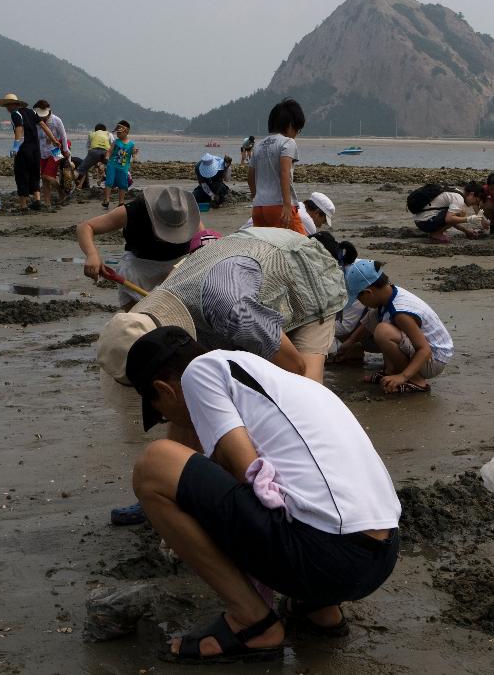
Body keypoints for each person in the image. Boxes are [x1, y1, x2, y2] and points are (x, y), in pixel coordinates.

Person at [117, 327, 400, 663]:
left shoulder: (201, 372)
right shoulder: (267, 373)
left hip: (327, 558)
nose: (173, 420)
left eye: (163, 412)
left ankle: (253, 623)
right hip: (381, 554)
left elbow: (246, 471)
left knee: (155, 464)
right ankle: (318, 609)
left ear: (164, 389)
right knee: (304, 486)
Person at [95, 226, 346, 388]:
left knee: (306, 389)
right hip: (243, 257)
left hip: (303, 268)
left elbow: (296, 365)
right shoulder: (165, 294)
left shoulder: (231, 309)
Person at [77, 185, 203, 308]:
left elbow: (207, 251)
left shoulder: (188, 217)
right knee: (128, 272)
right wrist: (92, 255)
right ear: (152, 215)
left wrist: (179, 270)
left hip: (178, 264)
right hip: (140, 264)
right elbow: (85, 227)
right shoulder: (134, 211)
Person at [339, 259, 453, 394]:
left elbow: (425, 350)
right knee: (376, 318)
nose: (360, 302)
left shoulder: (400, 313)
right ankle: (390, 371)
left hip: (434, 359)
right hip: (427, 353)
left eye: (359, 298)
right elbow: (368, 321)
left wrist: (402, 377)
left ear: (368, 293)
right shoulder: (390, 292)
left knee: (383, 331)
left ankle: (416, 381)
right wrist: (350, 342)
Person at [249, 99, 306, 234]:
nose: (297, 133)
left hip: (259, 208)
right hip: (280, 206)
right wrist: (287, 205)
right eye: (298, 129)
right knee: (303, 247)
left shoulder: (258, 145)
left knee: (268, 250)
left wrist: (256, 197)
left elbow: (250, 177)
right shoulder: (287, 143)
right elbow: (284, 172)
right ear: (290, 124)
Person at [0, 92, 56, 211]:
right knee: (34, 174)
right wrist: (54, 139)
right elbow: (43, 125)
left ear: (14, 105)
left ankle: (23, 205)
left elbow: (19, 128)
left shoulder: (15, 114)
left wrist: (16, 146)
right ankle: (37, 200)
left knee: (21, 175)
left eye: (8, 105)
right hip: (35, 150)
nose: (7, 108)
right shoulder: (31, 112)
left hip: (24, 150)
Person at [240, 190, 335, 235]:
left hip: (243, 232)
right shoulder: (307, 221)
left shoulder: (296, 206)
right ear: (317, 212)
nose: (320, 226)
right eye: (322, 221)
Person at [412, 186, 479, 244]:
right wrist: (469, 219)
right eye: (476, 200)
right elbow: (449, 219)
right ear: (471, 194)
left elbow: (451, 219)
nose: (474, 204)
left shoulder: (456, 191)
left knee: (456, 212)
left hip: (419, 220)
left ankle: (437, 232)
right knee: (461, 212)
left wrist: (465, 230)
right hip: (425, 222)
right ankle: (436, 234)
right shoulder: (459, 199)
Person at [33, 100, 69, 207]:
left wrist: (66, 150)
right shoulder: (37, 122)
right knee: (44, 178)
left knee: (47, 175)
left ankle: (61, 192)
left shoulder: (56, 120)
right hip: (42, 151)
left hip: (55, 151)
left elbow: (63, 136)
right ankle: (47, 202)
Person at [103, 120, 138, 209]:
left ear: (126, 132)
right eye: (117, 132)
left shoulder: (131, 144)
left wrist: (134, 157)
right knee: (109, 181)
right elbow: (110, 151)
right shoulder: (115, 142)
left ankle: (121, 202)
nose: (117, 134)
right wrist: (107, 156)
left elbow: (134, 154)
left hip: (123, 168)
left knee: (123, 184)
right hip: (112, 165)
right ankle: (107, 200)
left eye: (119, 132)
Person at [77, 123, 111, 188]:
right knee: (113, 167)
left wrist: (91, 158)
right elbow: (112, 145)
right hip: (105, 152)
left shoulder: (92, 134)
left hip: (93, 152)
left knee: (82, 169)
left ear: (95, 130)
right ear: (105, 130)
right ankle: (113, 185)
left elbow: (88, 146)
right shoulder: (108, 134)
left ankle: (71, 181)